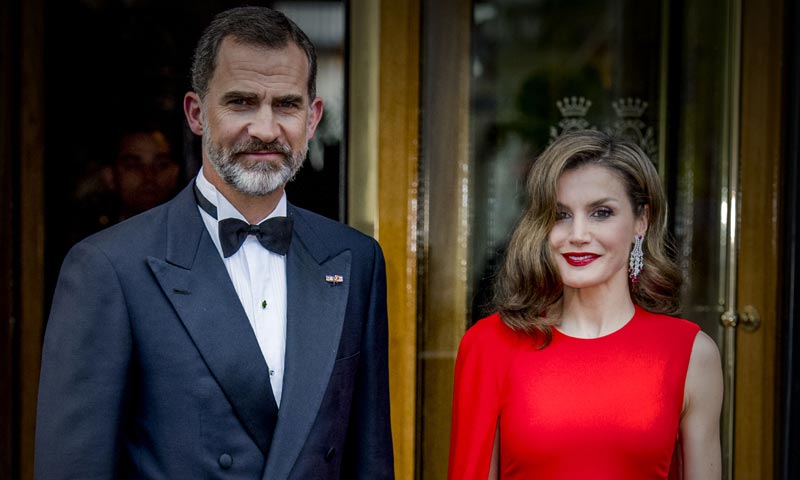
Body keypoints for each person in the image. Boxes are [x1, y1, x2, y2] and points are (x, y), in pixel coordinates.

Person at [35, 6, 394, 479]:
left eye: (285, 104)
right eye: (241, 102)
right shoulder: (107, 267)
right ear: (196, 113)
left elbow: (368, 461)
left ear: (312, 118)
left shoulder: (356, 260)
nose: (265, 129)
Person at [448, 130, 723, 479]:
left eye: (601, 213)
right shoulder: (489, 345)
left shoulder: (692, 354)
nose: (577, 234)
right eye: (561, 215)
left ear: (642, 220)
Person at [72, 122, 182, 241]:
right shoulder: (92, 243)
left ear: (174, 173)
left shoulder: (189, 237)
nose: (149, 176)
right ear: (110, 177)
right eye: (134, 166)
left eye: (161, 165)